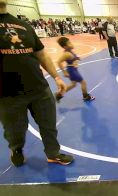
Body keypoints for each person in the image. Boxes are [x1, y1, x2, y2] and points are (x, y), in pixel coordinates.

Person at [0, 0, 74, 167]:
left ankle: (53, 153)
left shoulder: (23, 25)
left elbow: (42, 55)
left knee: (48, 125)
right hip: (7, 93)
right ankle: (16, 148)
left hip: (39, 87)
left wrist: (57, 77)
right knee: (15, 131)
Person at [55, 37, 95, 102]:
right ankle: (86, 96)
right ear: (65, 47)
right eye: (69, 43)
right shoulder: (67, 54)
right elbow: (58, 62)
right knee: (83, 82)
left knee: (73, 84)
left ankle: (59, 94)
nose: (71, 44)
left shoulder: (70, 51)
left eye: (70, 42)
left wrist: (77, 58)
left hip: (73, 69)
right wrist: (64, 72)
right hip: (72, 71)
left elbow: (73, 58)